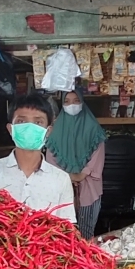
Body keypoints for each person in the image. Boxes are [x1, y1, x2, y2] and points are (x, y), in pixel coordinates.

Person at [0, 94, 76, 224]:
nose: (29, 127)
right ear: (11, 129)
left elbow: (67, 229)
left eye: (38, 122)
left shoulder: (61, 180)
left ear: (48, 131)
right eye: (21, 121)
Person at [45, 90, 106, 240]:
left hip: (89, 185)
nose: (71, 104)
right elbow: (50, 157)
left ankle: (86, 260)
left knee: (86, 232)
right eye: (67, 101)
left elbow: (98, 153)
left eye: (76, 100)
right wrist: (67, 176)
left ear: (82, 103)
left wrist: (82, 174)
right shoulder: (55, 131)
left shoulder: (93, 129)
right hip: (62, 185)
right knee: (65, 232)